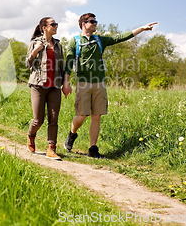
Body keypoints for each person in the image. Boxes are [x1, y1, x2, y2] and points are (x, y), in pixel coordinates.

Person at [62, 13, 157, 158]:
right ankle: (72, 133)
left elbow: (120, 37)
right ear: (83, 24)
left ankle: (93, 149)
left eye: (95, 21)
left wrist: (142, 29)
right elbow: (69, 62)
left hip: (99, 83)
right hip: (83, 83)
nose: (95, 24)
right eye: (92, 21)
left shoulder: (100, 40)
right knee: (81, 115)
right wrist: (66, 83)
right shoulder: (74, 41)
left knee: (97, 116)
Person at [25, 17, 71, 160]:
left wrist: (65, 84)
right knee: (38, 120)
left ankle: (51, 148)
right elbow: (27, 64)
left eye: (56, 24)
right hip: (38, 85)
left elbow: (63, 66)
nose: (56, 26)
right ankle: (31, 135)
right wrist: (34, 52)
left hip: (54, 86)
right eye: (53, 24)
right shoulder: (35, 43)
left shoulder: (58, 45)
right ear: (44, 27)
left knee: (53, 119)